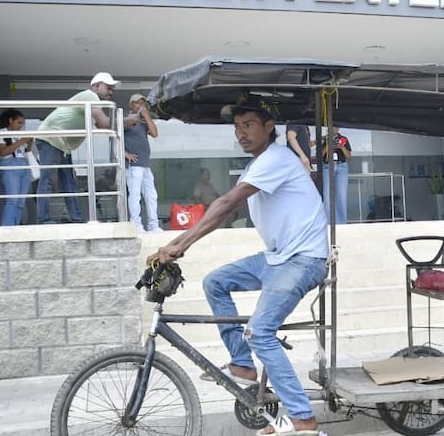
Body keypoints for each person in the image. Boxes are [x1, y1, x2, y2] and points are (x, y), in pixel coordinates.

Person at [150, 102, 329, 436]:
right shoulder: (255, 167)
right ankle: (242, 365)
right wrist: (188, 234)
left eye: (248, 124)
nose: (241, 132)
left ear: (268, 126)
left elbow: (227, 204)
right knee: (216, 281)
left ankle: (303, 420)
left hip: (304, 259)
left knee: (260, 332)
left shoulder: (276, 158)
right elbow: (225, 211)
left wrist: (180, 244)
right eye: (237, 127)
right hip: (276, 257)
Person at [35, 72, 141, 224]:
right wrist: (128, 120)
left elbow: (102, 125)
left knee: (69, 183)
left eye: (112, 89)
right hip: (51, 138)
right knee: (47, 181)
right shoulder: (89, 96)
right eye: (109, 88)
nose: (111, 92)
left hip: (62, 144)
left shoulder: (93, 103)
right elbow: (104, 123)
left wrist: (124, 122)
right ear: (96, 86)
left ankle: (76, 218)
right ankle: (44, 220)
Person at [124, 93, 162, 232]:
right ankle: (136, 225)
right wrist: (124, 153)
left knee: (151, 196)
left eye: (142, 103)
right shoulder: (126, 120)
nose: (140, 105)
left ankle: (153, 225)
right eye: (137, 103)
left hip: (145, 165)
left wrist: (146, 115)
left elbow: (155, 133)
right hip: (133, 167)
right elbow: (115, 139)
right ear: (131, 105)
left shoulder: (143, 121)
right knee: (135, 195)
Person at [0, 108, 33, 226]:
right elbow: (3, 151)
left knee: (21, 202)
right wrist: (21, 141)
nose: (21, 126)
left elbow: (26, 150)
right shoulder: (1, 132)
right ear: (11, 120)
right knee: (13, 200)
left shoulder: (20, 134)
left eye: (22, 123)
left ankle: (15, 226)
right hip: (10, 164)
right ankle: (7, 227)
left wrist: (30, 142)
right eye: (18, 123)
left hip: (24, 164)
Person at [320, 126, 352, 224]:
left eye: (336, 127)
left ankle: (342, 224)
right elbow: (320, 154)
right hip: (327, 166)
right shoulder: (324, 139)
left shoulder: (343, 139)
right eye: (332, 127)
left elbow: (349, 156)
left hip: (341, 166)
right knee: (327, 196)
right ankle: (329, 223)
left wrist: (341, 147)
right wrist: (329, 145)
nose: (335, 129)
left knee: (341, 196)